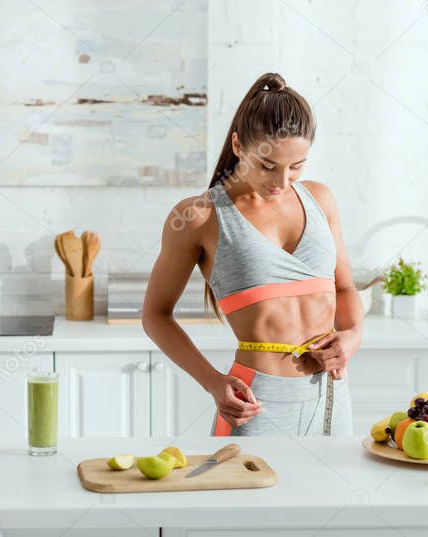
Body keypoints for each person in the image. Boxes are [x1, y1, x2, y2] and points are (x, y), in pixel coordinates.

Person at [142, 72, 365, 437]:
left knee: (331, 493)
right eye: (267, 166)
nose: (281, 181)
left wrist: (353, 336)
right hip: (255, 402)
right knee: (245, 494)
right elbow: (155, 315)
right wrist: (212, 381)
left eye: (297, 166)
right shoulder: (201, 217)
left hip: (331, 397)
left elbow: (344, 288)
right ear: (237, 145)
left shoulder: (320, 199)